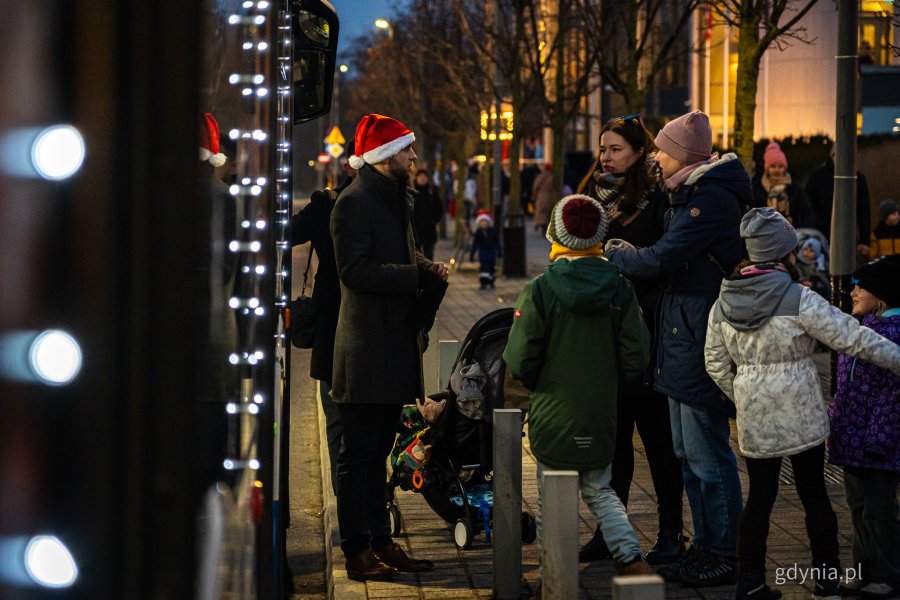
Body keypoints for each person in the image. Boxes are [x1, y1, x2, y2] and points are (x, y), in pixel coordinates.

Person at [705, 209, 900, 599]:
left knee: (759, 499)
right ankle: (826, 583)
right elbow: (852, 338)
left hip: (756, 420)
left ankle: (751, 582)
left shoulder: (723, 302)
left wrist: (744, 391)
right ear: (785, 254)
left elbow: (713, 362)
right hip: (802, 416)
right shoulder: (799, 298)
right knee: (814, 498)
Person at [604, 110, 746, 587]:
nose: (656, 159)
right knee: (688, 451)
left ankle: (723, 550)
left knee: (707, 452)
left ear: (682, 155)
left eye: (661, 151)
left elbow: (663, 258)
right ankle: (705, 546)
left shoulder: (710, 200)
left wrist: (618, 253)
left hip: (699, 333)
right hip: (681, 333)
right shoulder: (686, 196)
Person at [503, 195, 653, 597]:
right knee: (599, 488)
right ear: (600, 238)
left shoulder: (541, 290)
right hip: (599, 410)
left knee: (552, 491)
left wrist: (538, 383)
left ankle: (553, 577)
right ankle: (631, 558)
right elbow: (637, 354)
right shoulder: (620, 289)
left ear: (555, 235)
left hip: (553, 409)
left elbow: (520, 357)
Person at [330, 114, 449, 581]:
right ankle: (356, 550)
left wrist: (427, 267)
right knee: (357, 454)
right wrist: (412, 276)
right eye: (406, 150)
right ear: (382, 157)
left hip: (392, 343)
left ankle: (381, 541)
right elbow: (353, 271)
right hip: (364, 349)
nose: (414, 157)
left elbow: (403, 253)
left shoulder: (398, 198)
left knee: (379, 450)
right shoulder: (354, 203)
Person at [575, 114, 685, 566]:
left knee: (658, 441)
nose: (606, 156)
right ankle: (610, 530)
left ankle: (671, 532)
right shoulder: (587, 197)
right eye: (603, 148)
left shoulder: (658, 202)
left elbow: (665, 262)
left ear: (639, 153)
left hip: (646, 335)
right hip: (601, 337)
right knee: (613, 442)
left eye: (616, 148)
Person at [828, 255, 900, 598]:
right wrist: (833, 425)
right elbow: (843, 389)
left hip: (879, 442)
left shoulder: (894, 333)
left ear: (883, 294)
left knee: (879, 510)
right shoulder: (858, 330)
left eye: (861, 286)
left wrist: (879, 436)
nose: (853, 292)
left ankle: (888, 575)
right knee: (857, 508)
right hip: (852, 438)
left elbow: (893, 395)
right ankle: (862, 571)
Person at [290, 140, 356, 495]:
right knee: (341, 425)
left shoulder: (400, 203)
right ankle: (351, 517)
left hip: (355, 338)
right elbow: (287, 233)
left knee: (352, 431)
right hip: (335, 332)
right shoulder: (327, 204)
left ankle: (359, 518)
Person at [805, 146, 871, 257]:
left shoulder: (858, 179)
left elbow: (864, 211)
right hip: (819, 237)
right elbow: (807, 208)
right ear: (832, 156)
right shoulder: (817, 177)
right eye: (839, 155)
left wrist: (865, 240)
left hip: (847, 239)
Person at [751, 142, 814, 227]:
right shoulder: (757, 190)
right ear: (767, 168)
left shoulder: (795, 189)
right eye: (773, 166)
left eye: (780, 166)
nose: (777, 170)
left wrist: (795, 224)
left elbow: (807, 213)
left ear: (785, 168)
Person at [412, 168, 444, 260]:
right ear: (416, 177)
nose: (422, 178)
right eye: (420, 176)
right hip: (416, 230)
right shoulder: (411, 191)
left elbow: (439, 208)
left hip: (429, 229)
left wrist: (434, 220)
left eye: (424, 176)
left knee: (429, 256)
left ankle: (429, 273)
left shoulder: (432, 192)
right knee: (416, 256)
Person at [469, 209, 501, 290]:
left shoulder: (492, 231)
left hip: (491, 253)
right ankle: (483, 283)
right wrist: (472, 254)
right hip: (483, 253)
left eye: (485, 221)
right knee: (483, 269)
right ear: (479, 223)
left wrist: (499, 251)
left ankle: (491, 282)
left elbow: (497, 241)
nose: (484, 223)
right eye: (482, 221)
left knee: (491, 268)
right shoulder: (478, 233)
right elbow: (475, 244)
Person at [531, 163, 555, 233]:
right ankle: (544, 226)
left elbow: (535, 186)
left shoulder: (540, 176)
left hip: (541, 195)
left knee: (540, 211)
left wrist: (534, 194)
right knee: (548, 212)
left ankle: (540, 224)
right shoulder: (552, 177)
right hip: (550, 196)